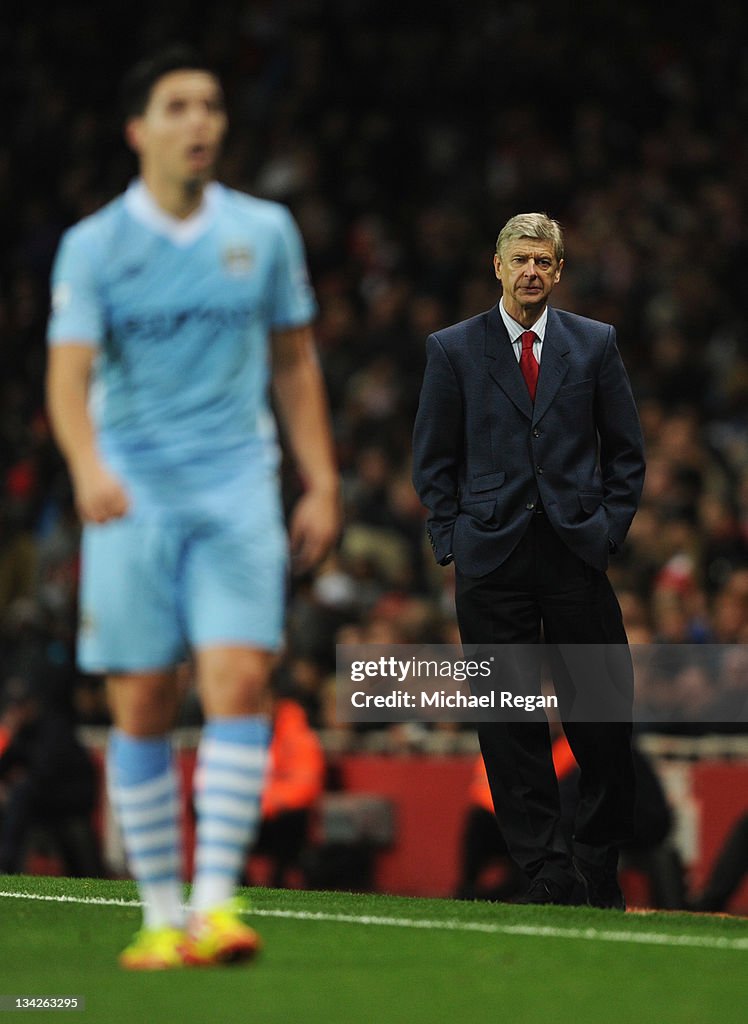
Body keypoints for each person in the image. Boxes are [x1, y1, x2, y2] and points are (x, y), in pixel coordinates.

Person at [45, 45, 340, 969]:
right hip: (133, 489)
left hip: (236, 486)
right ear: (140, 130)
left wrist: (321, 480)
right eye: (178, 106)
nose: (200, 121)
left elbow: (294, 362)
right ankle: (160, 913)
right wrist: (87, 463)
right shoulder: (94, 245)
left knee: (240, 683)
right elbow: (68, 376)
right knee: (141, 701)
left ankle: (216, 903)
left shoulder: (265, 230)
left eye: (210, 104)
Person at [412, 212, 645, 908]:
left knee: (605, 719)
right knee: (510, 725)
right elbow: (433, 459)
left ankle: (596, 863)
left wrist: (607, 532)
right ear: (498, 266)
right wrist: (453, 540)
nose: (532, 271)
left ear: (560, 270)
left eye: (544, 261)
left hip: (576, 554)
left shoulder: (594, 343)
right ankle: (548, 874)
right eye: (521, 260)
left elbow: (627, 452)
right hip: (492, 561)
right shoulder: (453, 350)